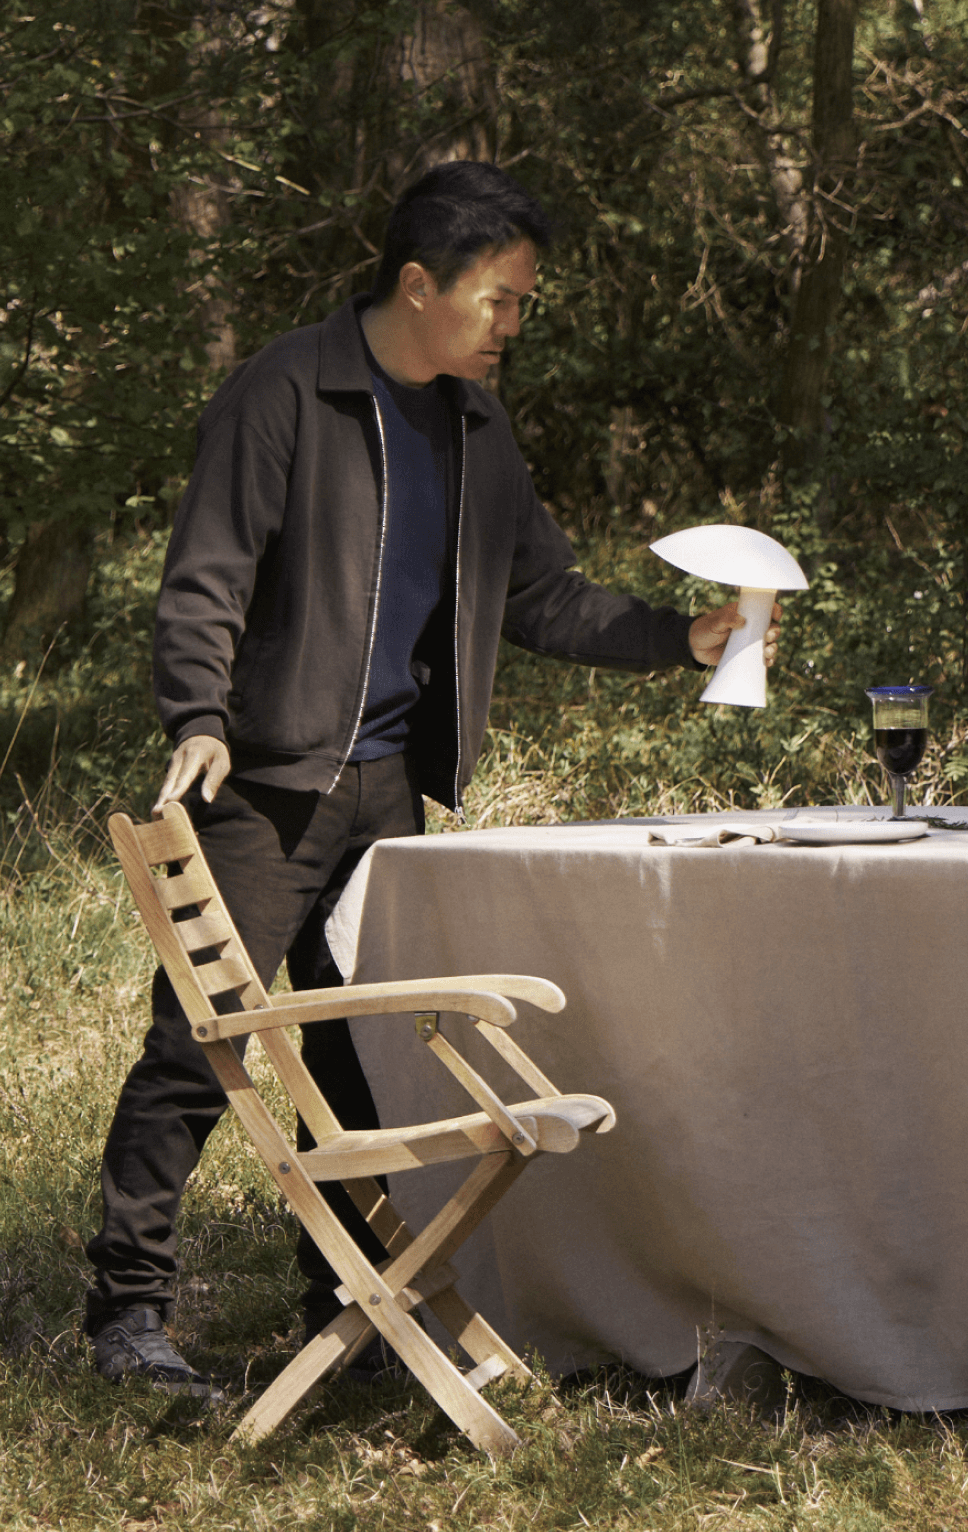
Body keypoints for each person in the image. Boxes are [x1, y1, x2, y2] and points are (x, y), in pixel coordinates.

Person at [85, 161, 775, 1396]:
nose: (513, 323)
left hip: (389, 796)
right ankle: (128, 1313)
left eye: (521, 303)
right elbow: (208, 571)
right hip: (265, 788)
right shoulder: (284, 392)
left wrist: (680, 637)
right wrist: (197, 716)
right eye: (499, 299)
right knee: (197, 1049)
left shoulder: (475, 427)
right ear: (419, 284)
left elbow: (543, 595)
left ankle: (348, 1308)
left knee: (359, 1059)